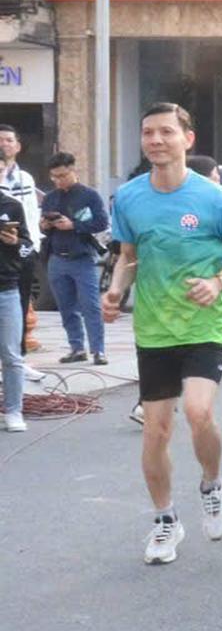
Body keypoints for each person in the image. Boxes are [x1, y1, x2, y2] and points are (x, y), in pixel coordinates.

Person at [102, 103, 222, 563]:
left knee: (198, 411)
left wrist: (219, 282)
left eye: (166, 132)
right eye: (148, 132)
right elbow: (128, 256)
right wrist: (115, 290)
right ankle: (165, 520)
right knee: (156, 430)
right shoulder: (129, 197)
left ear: (187, 139)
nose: (155, 140)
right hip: (154, 327)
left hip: (204, 323)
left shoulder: (215, 198)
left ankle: (212, 484)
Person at [40, 151, 108, 365]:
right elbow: (43, 228)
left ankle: (98, 350)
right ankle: (76, 347)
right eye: (54, 177)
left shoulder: (89, 195)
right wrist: (45, 225)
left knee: (91, 306)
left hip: (82, 257)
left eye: (62, 175)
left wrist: (74, 225)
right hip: (56, 258)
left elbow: (101, 222)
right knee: (66, 307)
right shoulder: (50, 197)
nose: (59, 180)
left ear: (73, 170)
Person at [0, 125, 41, 357]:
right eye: (0, 140)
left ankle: (18, 356)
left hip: (22, 247)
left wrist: (31, 245)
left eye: (8, 140)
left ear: (18, 146)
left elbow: (30, 214)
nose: (4, 144)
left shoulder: (25, 178)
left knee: (21, 304)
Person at [0, 185, 33, 431]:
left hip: (7, 288)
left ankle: (13, 410)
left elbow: (28, 248)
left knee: (11, 355)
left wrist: (15, 242)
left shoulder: (12, 205)